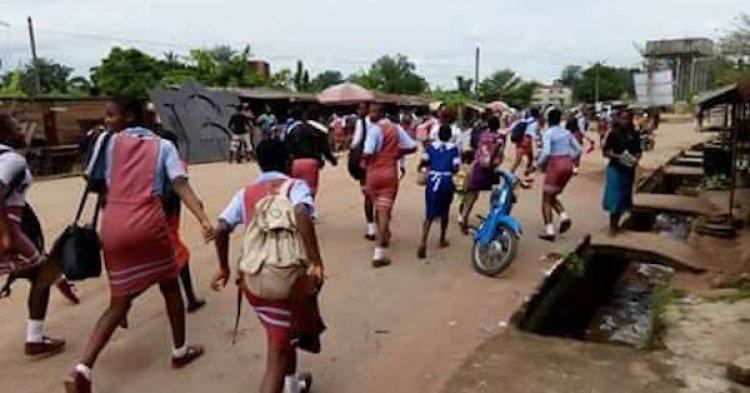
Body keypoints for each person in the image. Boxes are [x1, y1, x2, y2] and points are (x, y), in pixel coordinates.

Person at [65, 98, 214, 392]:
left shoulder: (106, 142)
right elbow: (180, 184)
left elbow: (91, 180)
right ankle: (180, 351)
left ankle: (82, 368)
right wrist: (203, 218)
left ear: (128, 115)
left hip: (114, 223)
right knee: (171, 287)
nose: (106, 120)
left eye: (111, 114)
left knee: (119, 301)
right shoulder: (164, 146)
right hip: (149, 222)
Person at [212, 139, 324, 393]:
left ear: (258, 163)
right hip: (286, 283)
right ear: (289, 162)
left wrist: (224, 268)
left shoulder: (245, 193)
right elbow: (303, 215)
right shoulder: (296, 187)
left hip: (253, 282)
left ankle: (293, 386)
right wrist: (316, 262)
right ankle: (283, 383)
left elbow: (221, 228)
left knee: (283, 336)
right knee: (277, 356)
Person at [0, 114, 66, 358]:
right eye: (17, 127)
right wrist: (7, 233)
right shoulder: (11, 160)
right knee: (43, 275)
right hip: (8, 231)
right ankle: (34, 338)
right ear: (4, 132)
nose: (22, 132)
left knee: (35, 273)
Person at [145, 104, 206, 313]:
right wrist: (198, 208)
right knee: (178, 253)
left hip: (141, 210)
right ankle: (188, 297)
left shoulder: (133, 148)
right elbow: (179, 183)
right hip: (166, 209)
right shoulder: (169, 147)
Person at [362, 103, 417, 268]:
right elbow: (412, 147)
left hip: (373, 173)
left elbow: (368, 152)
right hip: (389, 172)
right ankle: (381, 247)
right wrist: (396, 153)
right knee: (385, 209)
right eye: (370, 111)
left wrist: (363, 166)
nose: (371, 114)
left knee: (379, 208)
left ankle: (382, 240)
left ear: (381, 113)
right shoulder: (396, 129)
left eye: (374, 111)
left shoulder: (373, 130)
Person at [536, 109, 581, 242]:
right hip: (568, 165)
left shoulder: (548, 133)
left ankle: (549, 231)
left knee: (545, 199)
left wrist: (537, 164)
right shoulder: (566, 133)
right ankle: (564, 216)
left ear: (548, 120)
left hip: (556, 165)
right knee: (552, 196)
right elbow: (578, 149)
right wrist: (568, 157)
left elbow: (546, 153)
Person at [417, 125, 460, 259]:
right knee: (445, 210)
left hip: (432, 180)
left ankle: (423, 242)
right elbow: (455, 167)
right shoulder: (454, 149)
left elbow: (423, 163)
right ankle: (442, 239)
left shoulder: (430, 147)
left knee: (429, 213)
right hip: (446, 180)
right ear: (449, 136)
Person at [459, 116, 505, 234]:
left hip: (478, 167)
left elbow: (475, 147)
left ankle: (464, 218)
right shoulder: (499, 137)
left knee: (472, 195)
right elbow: (497, 147)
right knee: (496, 195)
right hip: (492, 169)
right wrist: (490, 160)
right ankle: (493, 219)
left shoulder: (482, 135)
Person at [603, 109, 642, 236]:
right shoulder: (613, 134)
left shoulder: (635, 134)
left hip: (628, 169)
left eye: (627, 118)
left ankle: (618, 224)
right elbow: (606, 152)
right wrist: (619, 157)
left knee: (624, 197)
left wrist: (635, 160)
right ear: (618, 119)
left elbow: (638, 151)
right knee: (615, 197)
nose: (625, 121)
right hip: (615, 168)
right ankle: (612, 227)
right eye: (622, 118)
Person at [286, 108, 338, 200]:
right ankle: (307, 211)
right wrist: (331, 159)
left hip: (294, 164)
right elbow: (324, 146)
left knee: (295, 189)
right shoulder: (315, 129)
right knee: (309, 191)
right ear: (304, 116)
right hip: (311, 163)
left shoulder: (289, 131)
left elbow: (285, 149)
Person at [350, 103, 376, 240]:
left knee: (367, 194)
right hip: (381, 162)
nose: (359, 111)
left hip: (365, 162)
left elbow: (355, 143)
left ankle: (371, 226)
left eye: (361, 108)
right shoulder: (384, 124)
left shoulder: (361, 124)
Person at [510, 108, 541, 176]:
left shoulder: (524, 120)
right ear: (538, 114)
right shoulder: (536, 123)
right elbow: (535, 136)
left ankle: (511, 174)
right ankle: (525, 174)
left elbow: (512, 127)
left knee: (518, 161)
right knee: (530, 158)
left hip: (520, 141)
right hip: (528, 142)